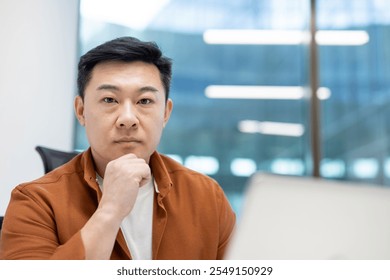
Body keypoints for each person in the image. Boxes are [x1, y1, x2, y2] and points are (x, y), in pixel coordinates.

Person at [0, 36, 236, 260]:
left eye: (144, 101)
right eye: (110, 100)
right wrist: (110, 210)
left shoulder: (207, 196)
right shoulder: (34, 201)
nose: (127, 118)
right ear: (81, 110)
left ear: (165, 112)